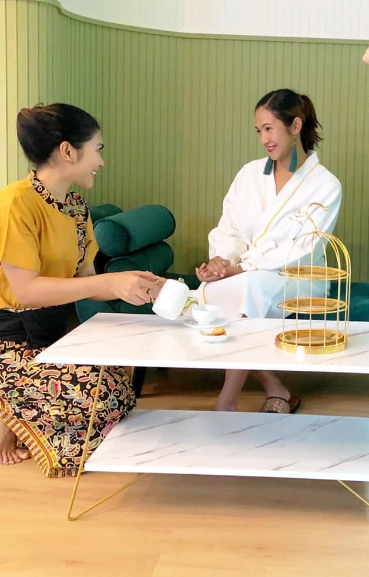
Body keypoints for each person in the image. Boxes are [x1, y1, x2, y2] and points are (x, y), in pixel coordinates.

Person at [0, 103, 162, 476]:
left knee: (119, 389)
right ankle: (10, 411)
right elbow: (26, 292)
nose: (100, 161)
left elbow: (85, 282)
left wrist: (138, 282)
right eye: (97, 149)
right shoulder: (15, 203)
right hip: (9, 341)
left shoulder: (75, 208)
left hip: (53, 338)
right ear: (68, 151)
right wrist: (108, 281)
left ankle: (22, 415)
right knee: (104, 398)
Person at [195, 89, 342, 414]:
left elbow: (304, 248)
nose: (264, 139)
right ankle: (276, 388)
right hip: (246, 272)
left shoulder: (326, 186)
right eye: (259, 131)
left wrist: (241, 269)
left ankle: (227, 400)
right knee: (212, 292)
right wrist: (221, 262)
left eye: (269, 128)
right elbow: (230, 228)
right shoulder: (249, 174)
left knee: (250, 288)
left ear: (295, 126)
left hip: (299, 276)